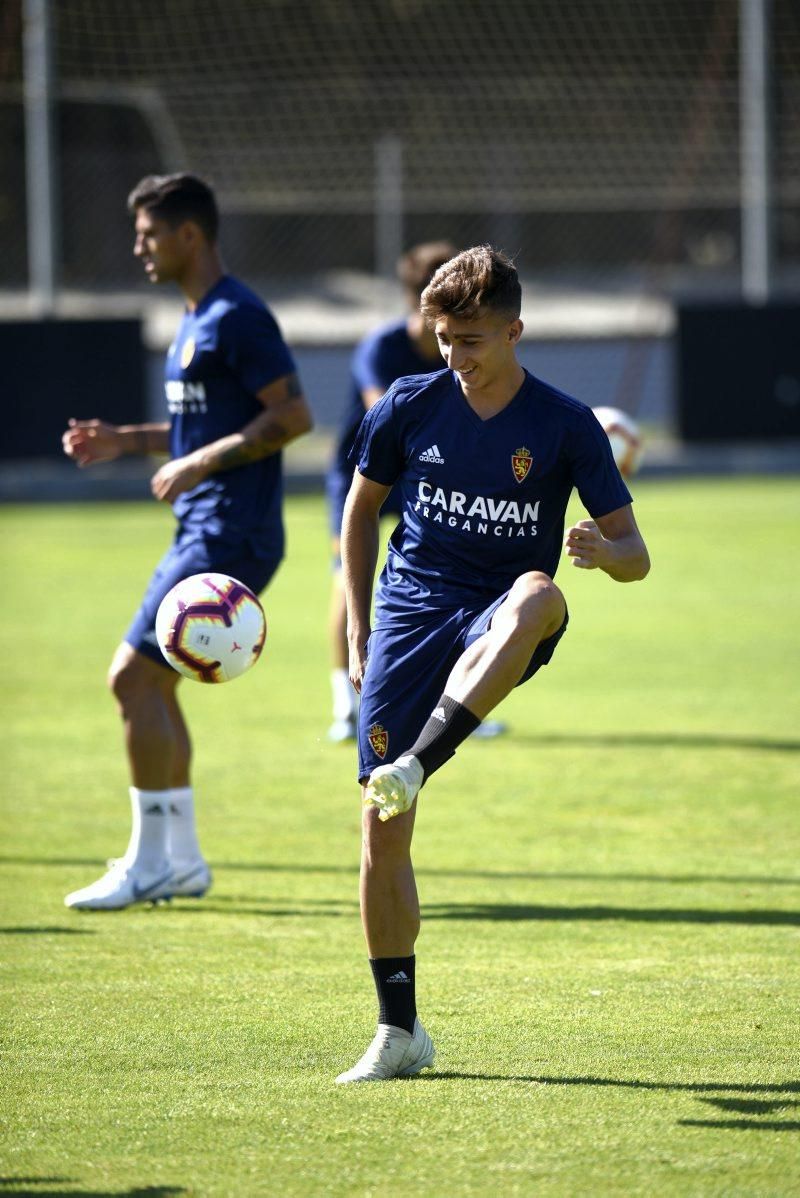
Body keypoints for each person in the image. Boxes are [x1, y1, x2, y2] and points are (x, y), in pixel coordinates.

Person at [335, 246, 650, 1083]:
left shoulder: (565, 424)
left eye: (472, 341)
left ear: (515, 330)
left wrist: (601, 549)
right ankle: (399, 1032)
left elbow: (638, 554)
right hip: (412, 608)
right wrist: (361, 627)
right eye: (444, 339)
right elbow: (360, 512)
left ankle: (417, 761)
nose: (456, 358)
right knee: (381, 826)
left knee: (540, 590)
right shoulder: (407, 404)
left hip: (499, 610)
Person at [61, 173, 313, 911]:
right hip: (207, 524)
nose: (139, 247)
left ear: (189, 235)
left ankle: (148, 863)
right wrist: (124, 441)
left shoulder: (238, 315)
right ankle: (181, 861)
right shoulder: (194, 319)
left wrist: (200, 463)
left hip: (229, 529)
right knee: (154, 684)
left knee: (130, 681)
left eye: (148, 234)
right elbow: (197, 430)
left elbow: (294, 415)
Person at [325, 240, 505, 744]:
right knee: (348, 573)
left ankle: (460, 702)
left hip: (432, 472)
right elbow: (388, 417)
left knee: (457, 576)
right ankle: (346, 698)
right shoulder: (381, 349)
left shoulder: (473, 347)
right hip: (367, 473)